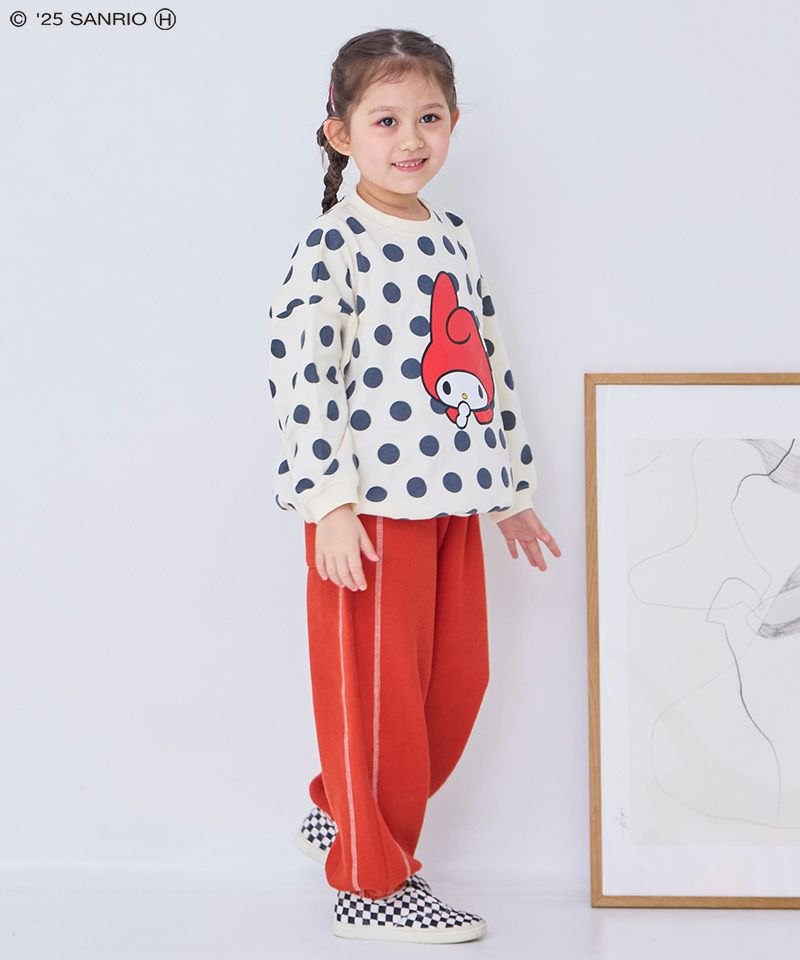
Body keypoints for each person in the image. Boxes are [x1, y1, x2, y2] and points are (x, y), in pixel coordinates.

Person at [266, 27, 561, 944]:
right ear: (341, 133)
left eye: (429, 118)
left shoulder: (454, 236)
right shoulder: (334, 243)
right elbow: (302, 374)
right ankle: (371, 881)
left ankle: (341, 806)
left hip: (453, 499)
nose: (411, 139)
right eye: (386, 120)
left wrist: (510, 491)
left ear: (455, 123)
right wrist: (329, 504)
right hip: (371, 512)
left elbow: (488, 362)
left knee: (454, 686)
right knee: (381, 702)